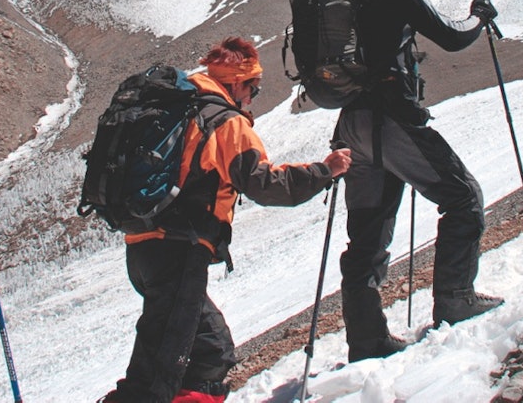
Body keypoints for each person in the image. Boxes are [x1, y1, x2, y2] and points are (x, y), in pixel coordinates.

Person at [104, 37, 352, 403]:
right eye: (253, 87)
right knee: (156, 376)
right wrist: (323, 171)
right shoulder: (225, 122)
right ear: (236, 82)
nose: (253, 96)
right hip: (179, 249)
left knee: (210, 351)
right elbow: (264, 183)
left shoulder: (187, 107)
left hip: (144, 249)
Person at [331, 0, 502, 362]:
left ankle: (367, 343)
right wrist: (480, 16)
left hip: (354, 127)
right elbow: (452, 35)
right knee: (463, 198)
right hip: (390, 121)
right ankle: (455, 299)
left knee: (367, 235)